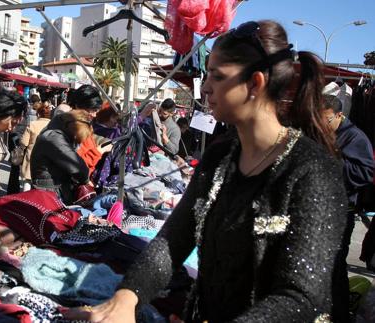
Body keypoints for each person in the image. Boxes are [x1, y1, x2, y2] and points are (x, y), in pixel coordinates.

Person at [65, 20, 347, 322]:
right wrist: (126, 297)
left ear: (255, 83)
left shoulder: (313, 171)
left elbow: (300, 297)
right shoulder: (219, 157)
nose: (206, 87)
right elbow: (172, 242)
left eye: (217, 76)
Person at [321, 94, 374, 320]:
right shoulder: (318, 131)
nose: (323, 125)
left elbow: (365, 172)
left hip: (341, 212)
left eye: (327, 120)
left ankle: (340, 314)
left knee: (334, 268)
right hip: (318, 208)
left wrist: (332, 158)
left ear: (339, 116)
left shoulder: (355, 137)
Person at [31, 109, 93, 205]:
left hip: (51, 189)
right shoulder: (54, 138)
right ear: (74, 130)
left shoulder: (55, 133)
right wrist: (86, 180)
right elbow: (76, 165)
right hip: (50, 192)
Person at [68, 85, 104, 176]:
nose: (94, 115)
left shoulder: (85, 125)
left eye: (96, 110)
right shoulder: (71, 128)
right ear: (78, 106)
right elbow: (76, 165)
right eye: (92, 110)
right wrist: (100, 150)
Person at [20, 101, 52, 191]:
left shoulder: (33, 124)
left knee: (27, 180)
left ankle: (25, 202)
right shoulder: (53, 125)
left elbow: (24, 142)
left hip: (32, 155)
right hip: (47, 157)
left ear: (38, 114)